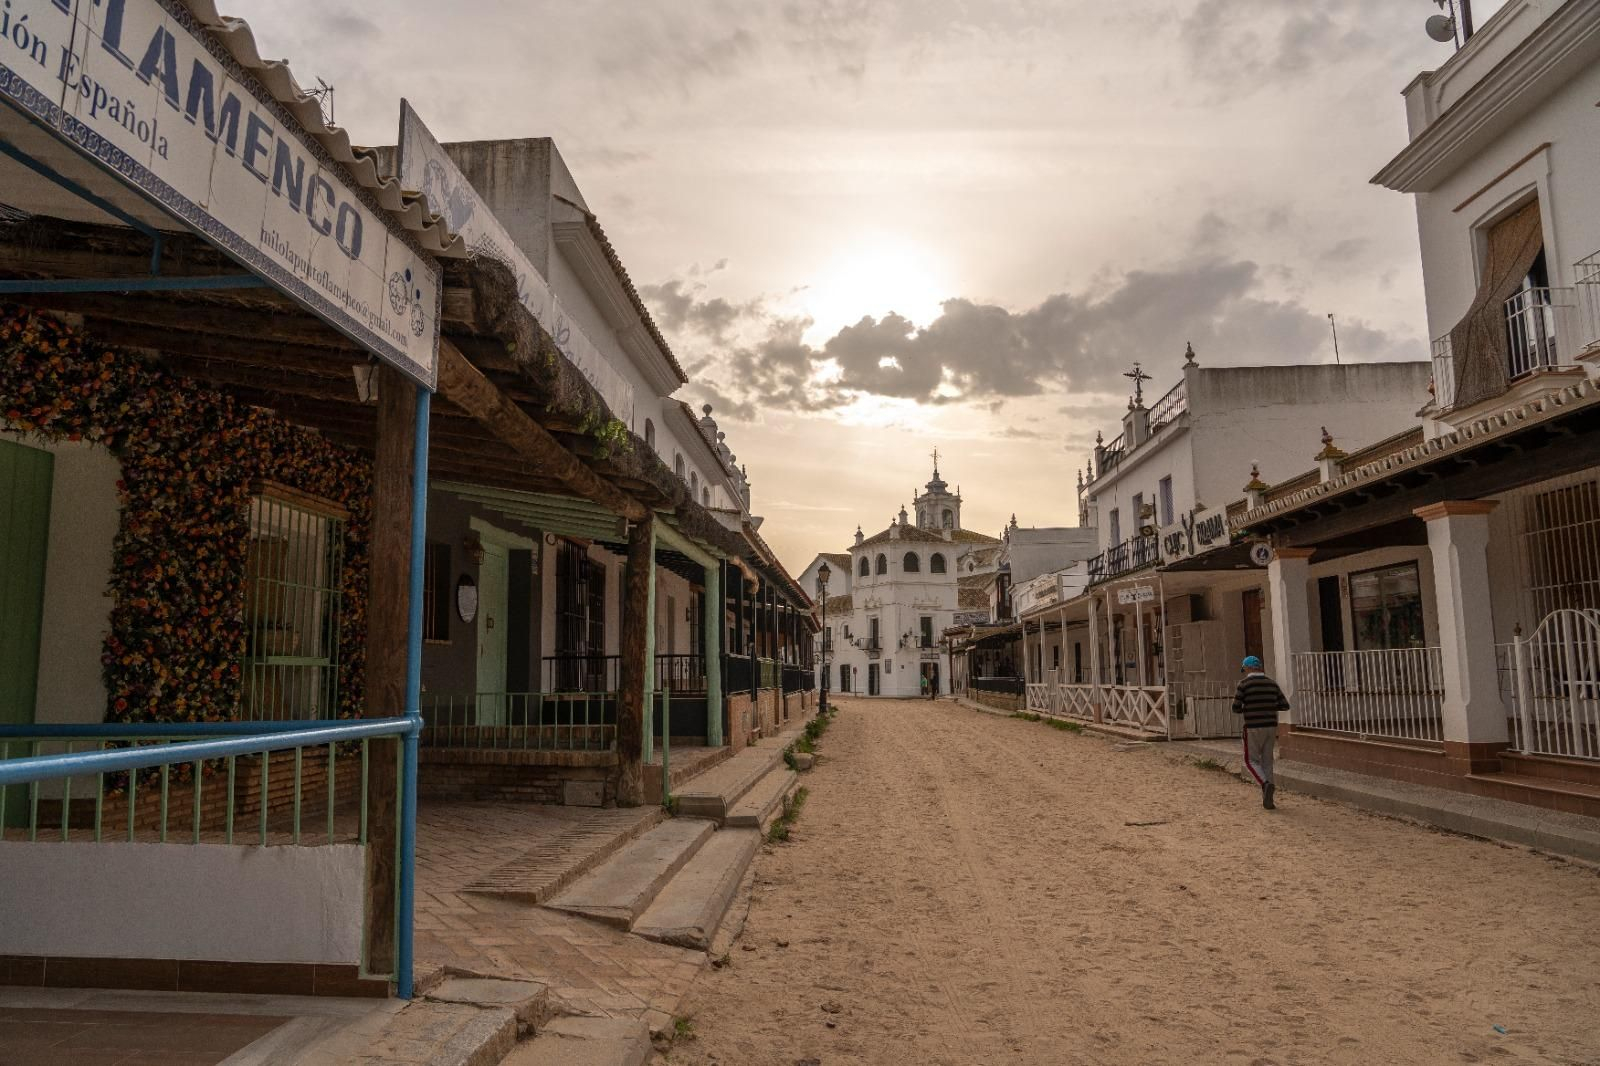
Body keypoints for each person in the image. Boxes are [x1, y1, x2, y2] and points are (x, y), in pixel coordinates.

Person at [1232, 655, 1289, 809]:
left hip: (1253, 726)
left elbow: (1236, 708)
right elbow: (1284, 705)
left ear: (1247, 668)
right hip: (1271, 726)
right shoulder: (1272, 684)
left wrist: (1251, 708)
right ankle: (1269, 796)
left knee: (1251, 761)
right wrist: (1267, 707)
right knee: (1267, 761)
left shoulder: (1243, 685)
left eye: (1244, 669)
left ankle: (1265, 784)